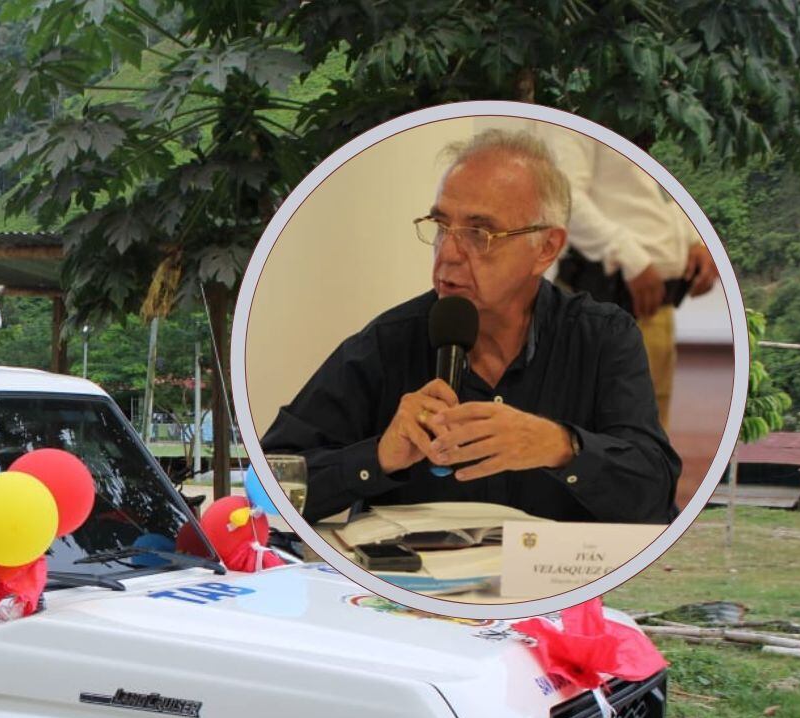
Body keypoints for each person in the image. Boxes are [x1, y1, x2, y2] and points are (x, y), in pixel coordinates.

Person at [262, 128, 680, 526]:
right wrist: (377, 458)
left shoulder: (602, 337)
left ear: (546, 248)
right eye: (442, 227)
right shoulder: (389, 342)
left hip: (553, 591)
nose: (449, 255)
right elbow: (269, 485)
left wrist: (561, 447)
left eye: (480, 233)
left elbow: (656, 495)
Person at [543, 127, 720, 428]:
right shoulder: (579, 122)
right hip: (610, 300)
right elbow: (566, 200)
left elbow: (649, 200)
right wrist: (631, 259)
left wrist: (694, 239)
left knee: (649, 430)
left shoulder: (629, 118)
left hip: (655, 306)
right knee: (599, 426)